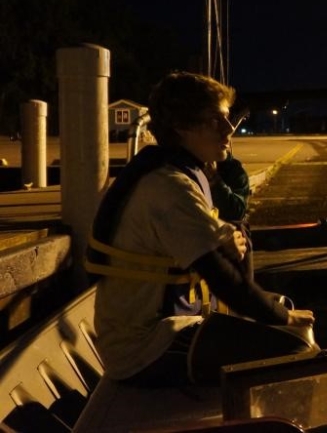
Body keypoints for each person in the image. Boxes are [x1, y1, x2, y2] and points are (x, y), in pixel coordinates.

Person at [90, 71, 315, 387]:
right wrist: (282, 319)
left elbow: (235, 252)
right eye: (215, 120)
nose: (229, 128)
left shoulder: (183, 174)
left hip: (174, 324)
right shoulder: (169, 188)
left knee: (279, 310)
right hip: (145, 348)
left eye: (227, 118)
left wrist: (231, 240)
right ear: (181, 127)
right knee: (295, 345)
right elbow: (225, 281)